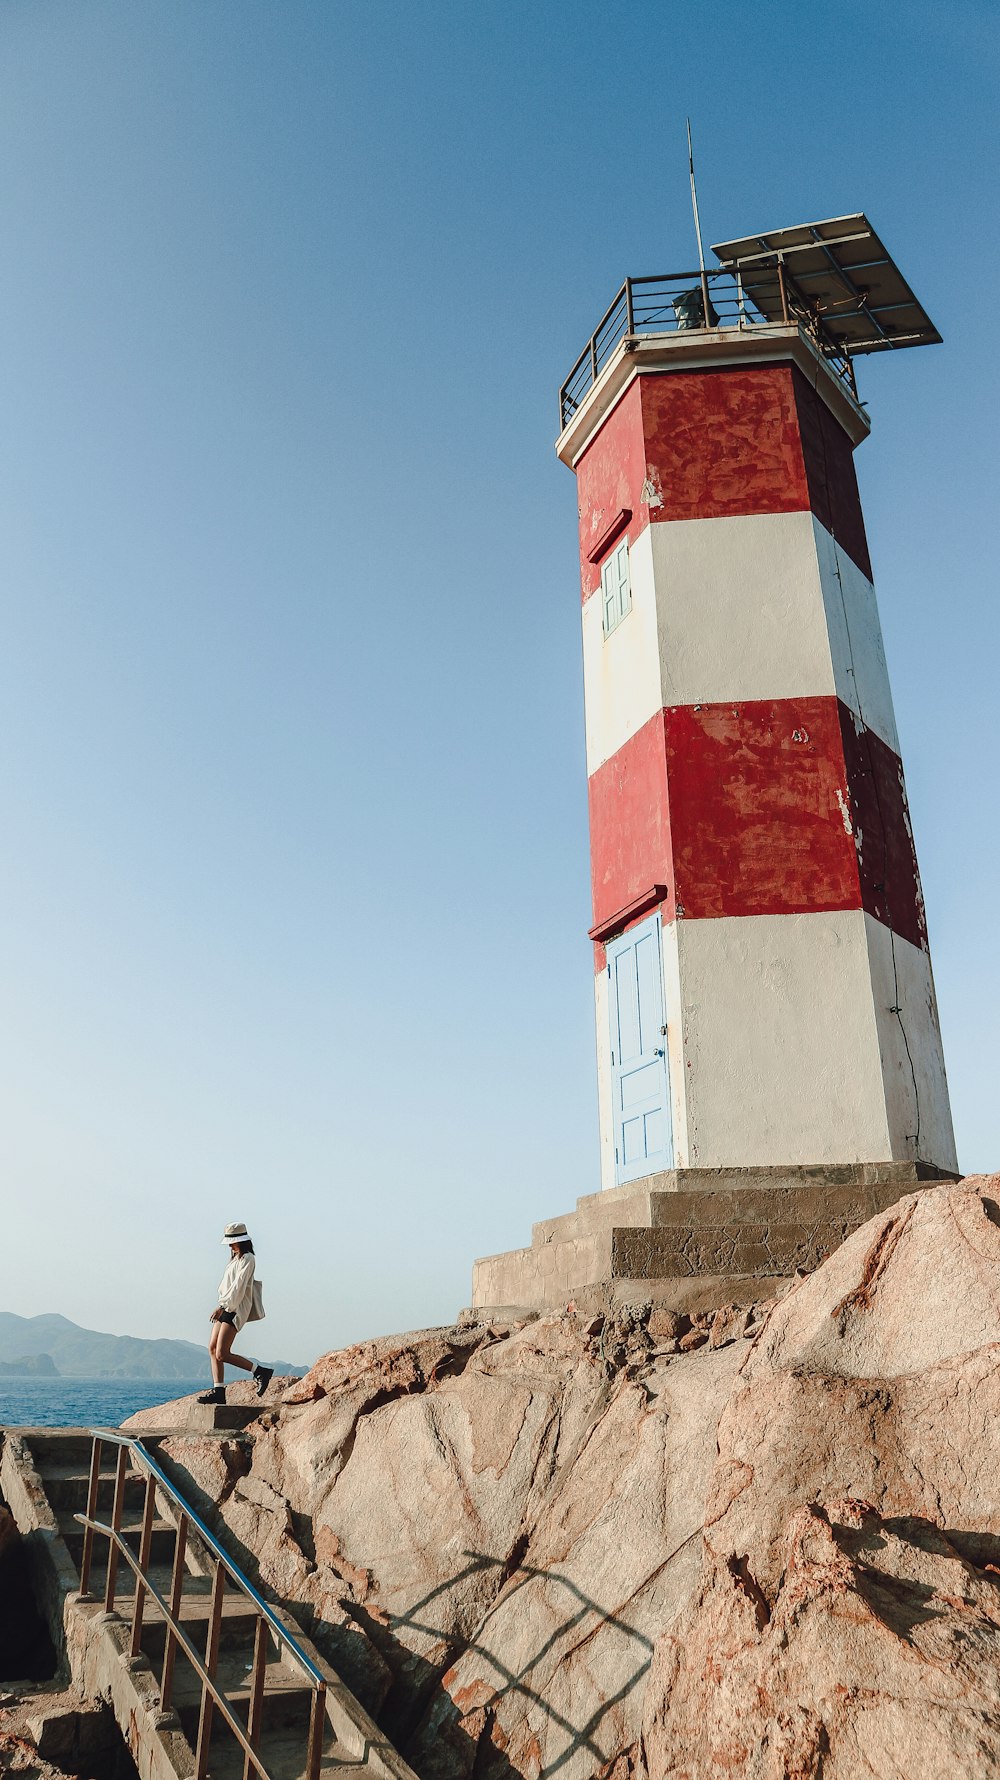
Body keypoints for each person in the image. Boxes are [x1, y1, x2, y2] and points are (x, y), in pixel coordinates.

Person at [197, 1222, 273, 1406]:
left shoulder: (248, 1259)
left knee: (222, 1353)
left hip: (235, 1308)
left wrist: (223, 1307)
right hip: (226, 1305)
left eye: (233, 1242)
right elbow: (228, 1285)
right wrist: (222, 1305)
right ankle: (219, 1391)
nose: (230, 1246)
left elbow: (238, 1287)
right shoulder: (235, 1259)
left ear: (241, 1241)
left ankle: (259, 1371)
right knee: (213, 1349)